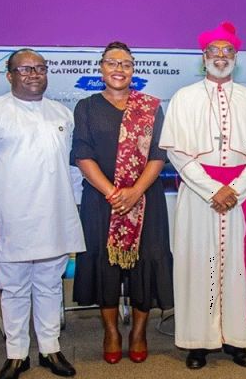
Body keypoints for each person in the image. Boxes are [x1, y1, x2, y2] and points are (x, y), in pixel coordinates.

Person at [0, 48, 85, 378]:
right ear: (10, 75)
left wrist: (74, 206)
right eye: (25, 69)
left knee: (50, 285)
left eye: (40, 68)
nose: (33, 74)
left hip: (55, 216)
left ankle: (50, 348)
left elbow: (73, 168)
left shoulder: (62, 114)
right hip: (9, 218)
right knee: (14, 287)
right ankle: (16, 353)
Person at [159, 22, 246, 370]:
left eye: (227, 52)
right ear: (203, 57)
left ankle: (237, 340)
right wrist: (213, 189)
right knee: (198, 266)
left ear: (235, 59)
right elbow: (177, 153)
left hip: (241, 194)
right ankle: (198, 342)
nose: (220, 58)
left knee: (238, 268)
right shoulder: (184, 98)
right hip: (198, 196)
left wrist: (234, 189)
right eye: (214, 52)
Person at [71, 41, 173, 365]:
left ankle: (139, 332)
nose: (119, 69)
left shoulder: (151, 107)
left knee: (147, 262)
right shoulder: (86, 107)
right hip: (102, 203)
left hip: (147, 199)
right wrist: (115, 194)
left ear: (133, 69)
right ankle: (112, 332)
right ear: (101, 68)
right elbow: (82, 155)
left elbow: (159, 154)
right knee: (106, 265)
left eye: (126, 64)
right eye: (112, 63)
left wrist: (135, 192)